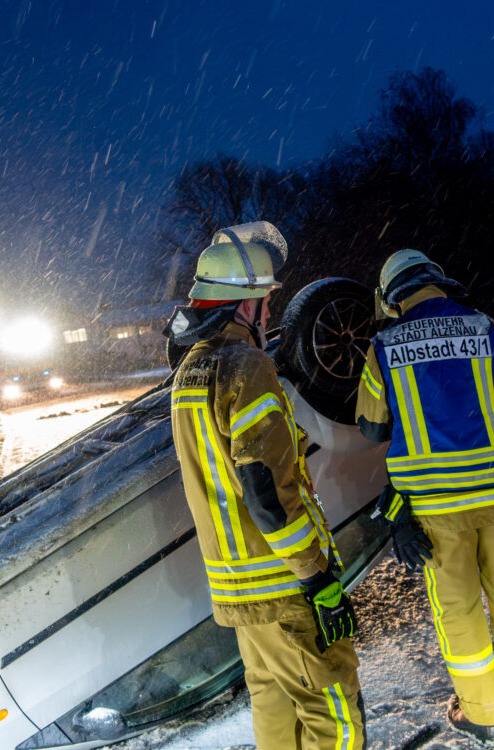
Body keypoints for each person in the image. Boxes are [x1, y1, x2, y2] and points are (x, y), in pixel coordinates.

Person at [165, 221, 365, 750]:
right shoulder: (246, 366)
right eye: (267, 300)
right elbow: (266, 494)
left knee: (274, 711)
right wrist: (316, 576)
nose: (271, 312)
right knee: (334, 716)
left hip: (241, 588)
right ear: (245, 302)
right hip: (285, 584)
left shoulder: (191, 369)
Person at [355, 249, 494, 747]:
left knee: (460, 613)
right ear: (437, 281)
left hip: (436, 508)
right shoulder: (486, 328)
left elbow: (371, 427)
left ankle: (484, 717)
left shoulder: (384, 345)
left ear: (392, 297)